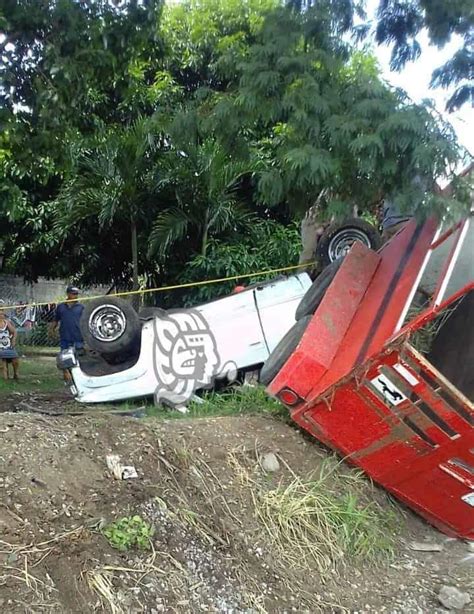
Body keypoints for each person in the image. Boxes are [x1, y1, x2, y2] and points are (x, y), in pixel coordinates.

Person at [52, 286, 85, 354]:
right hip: (65, 338)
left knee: (79, 359)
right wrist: (52, 330)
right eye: (73, 294)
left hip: (78, 338)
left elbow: (85, 322)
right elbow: (56, 320)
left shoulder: (81, 307)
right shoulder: (61, 306)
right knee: (65, 359)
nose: (75, 296)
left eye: (76, 294)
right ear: (68, 294)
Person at [0, 307, 19, 380]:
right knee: (3, 362)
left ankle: (16, 374)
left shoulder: (6, 322)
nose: (1, 313)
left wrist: (13, 340)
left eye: (2, 311)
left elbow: (14, 332)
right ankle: (5, 376)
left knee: (15, 359)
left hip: (8, 346)